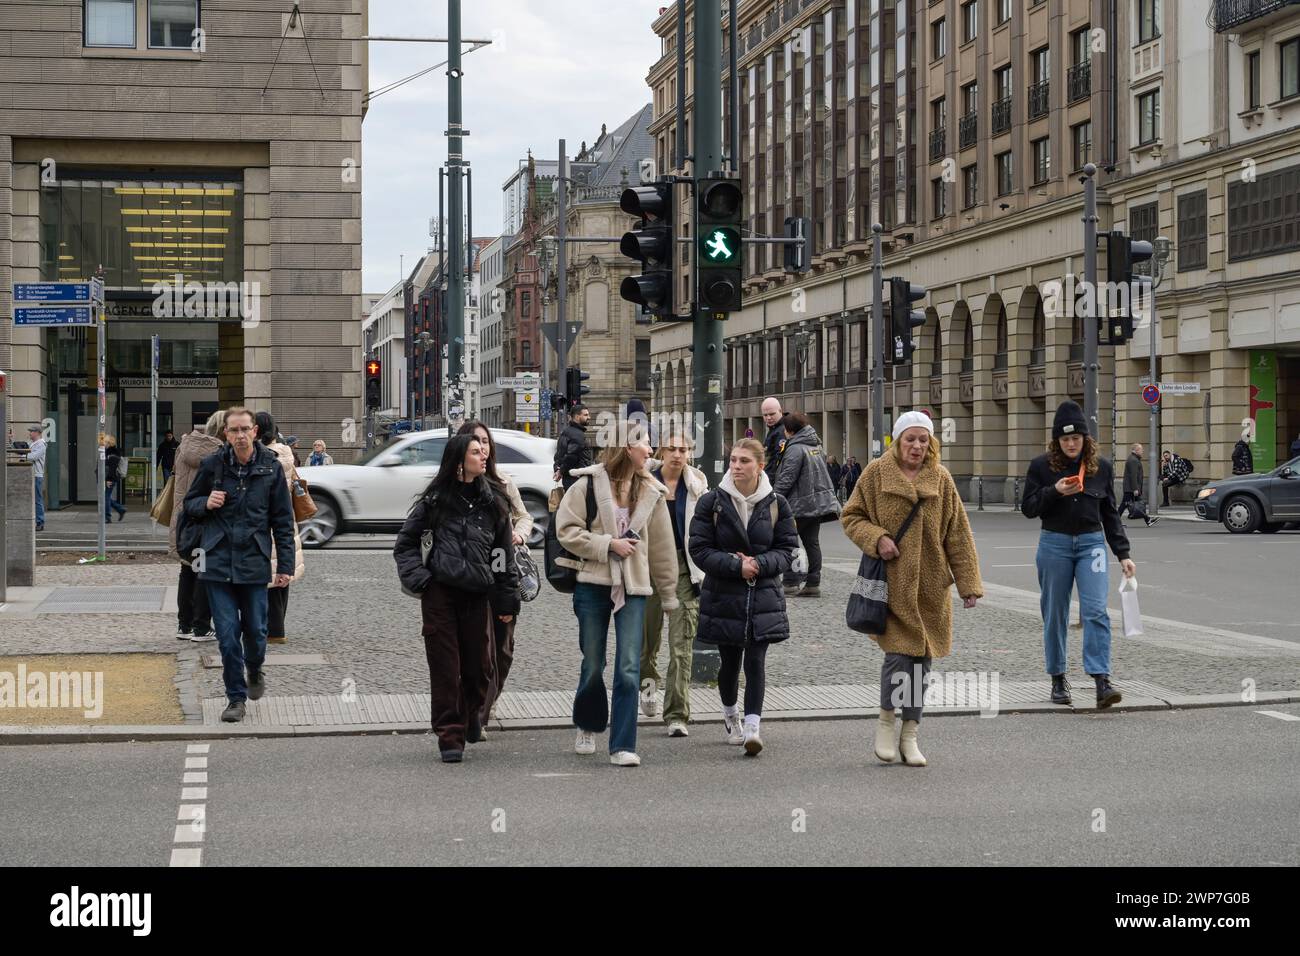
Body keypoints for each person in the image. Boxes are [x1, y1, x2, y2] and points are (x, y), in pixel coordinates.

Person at [841, 412, 983, 767]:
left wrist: (968, 585)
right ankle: (886, 722)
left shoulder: (942, 479)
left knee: (922, 660)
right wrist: (878, 538)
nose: (917, 446)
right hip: (892, 585)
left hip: (931, 587)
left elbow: (958, 535)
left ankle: (911, 732)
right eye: (910, 439)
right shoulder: (876, 473)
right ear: (897, 440)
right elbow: (851, 516)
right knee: (898, 657)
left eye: (923, 440)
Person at [555, 421, 679, 768]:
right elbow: (565, 530)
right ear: (627, 447)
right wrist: (608, 544)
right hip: (592, 583)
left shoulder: (652, 491)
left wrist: (668, 594)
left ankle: (623, 744)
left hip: (635, 585)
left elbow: (663, 550)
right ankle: (588, 723)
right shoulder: (586, 484)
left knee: (628, 667)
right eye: (645, 445)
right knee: (593, 662)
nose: (651, 451)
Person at [394, 433, 520, 763]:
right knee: (446, 667)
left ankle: (472, 714)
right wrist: (421, 580)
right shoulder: (435, 501)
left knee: (481, 669)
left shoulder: (494, 502)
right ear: (459, 460)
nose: (483, 456)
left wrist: (506, 598)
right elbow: (405, 545)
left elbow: (501, 554)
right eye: (475, 452)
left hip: (478, 595)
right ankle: (450, 733)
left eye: (484, 451)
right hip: (441, 595)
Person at [181, 407, 295, 723]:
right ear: (226, 434)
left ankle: (255, 667)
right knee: (228, 636)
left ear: (255, 431)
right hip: (217, 562)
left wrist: (284, 565)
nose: (240, 435)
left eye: (245, 429)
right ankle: (235, 698)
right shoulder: (212, 465)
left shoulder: (271, 468)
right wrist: (205, 502)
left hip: (254, 561)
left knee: (257, 632)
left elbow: (283, 522)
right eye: (234, 430)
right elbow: (188, 506)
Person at [1022, 400, 1135, 710]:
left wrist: (1123, 553)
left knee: (1096, 610)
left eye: (1076, 438)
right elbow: (1029, 508)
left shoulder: (1102, 467)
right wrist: (1054, 491)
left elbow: (1110, 513)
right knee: (1054, 613)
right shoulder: (1041, 466)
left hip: (1092, 544)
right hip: (1054, 543)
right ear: (1056, 441)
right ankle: (1058, 678)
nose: (1071, 444)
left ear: (1086, 438)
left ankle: (1102, 680)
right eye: (1065, 439)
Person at [689, 438, 798, 757]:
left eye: (744, 461)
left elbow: (788, 548)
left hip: (763, 596)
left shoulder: (777, 503)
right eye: (734, 460)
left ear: (760, 466)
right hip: (725, 594)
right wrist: (737, 566)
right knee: (730, 663)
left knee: (756, 661)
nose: (736, 466)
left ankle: (753, 726)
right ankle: (730, 715)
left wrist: (759, 565)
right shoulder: (712, 502)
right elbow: (699, 549)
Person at [456, 420, 534, 733]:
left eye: (486, 441)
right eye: (476, 441)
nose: (483, 447)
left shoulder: (503, 482)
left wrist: (519, 534)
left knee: (502, 649)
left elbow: (524, 516)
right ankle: (477, 714)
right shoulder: (452, 485)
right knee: (475, 650)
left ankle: (485, 702)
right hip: (468, 578)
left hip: (503, 575)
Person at [640, 432, 707, 737]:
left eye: (684, 449)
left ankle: (677, 714)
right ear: (661, 452)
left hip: (684, 569)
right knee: (647, 643)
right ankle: (648, 686)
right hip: (649, 568)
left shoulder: (697, 483)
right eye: (672, 449)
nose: (678, 455)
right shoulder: (644, 480)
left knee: (681, 646)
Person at [773, 411, 841, 597]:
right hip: (816, 504)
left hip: (799, 504)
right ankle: (813, 583)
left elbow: (787, 478)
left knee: (789, 542)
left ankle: (790, 581)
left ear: (789, 430)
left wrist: (772, 498)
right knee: (812, 543)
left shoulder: (795, 448)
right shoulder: (816, 445)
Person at [170, 411, 225, 641]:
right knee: (203, 571)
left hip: (183, 517)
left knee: (187, 570)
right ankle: (202, 626)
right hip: (204, 518)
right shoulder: (219, 454)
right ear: (224, 429)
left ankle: (184, 625)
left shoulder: (184, 446)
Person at [255, 412, 305, 646]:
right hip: (287, 518)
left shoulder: (266, 456)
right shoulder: (286, 453)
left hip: (267, 518)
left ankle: (273, 629)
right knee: (282, 574)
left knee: (269, 574)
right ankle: (277, 627)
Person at [553, 403, 594, 490]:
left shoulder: (566, 431)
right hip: (577, 478)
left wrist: (558, 469)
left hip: (569, 478)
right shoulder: (577, 435)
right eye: (585, 415)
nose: (589, 417)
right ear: (577, 417)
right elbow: (572, 456)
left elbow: (559, 455)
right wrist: (560, 471)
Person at [1121, 443, 1157, 527]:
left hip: (1130, 487)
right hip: (1131, 488)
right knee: (1125, 504)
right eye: (1141, 449)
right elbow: (1133, 475)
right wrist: (1135, 489)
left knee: (1135, 504)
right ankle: (1148, 520)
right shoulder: (1133, 460)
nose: (1142, 451)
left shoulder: (1134, 459)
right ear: (1136, 450)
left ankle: (1148, 520)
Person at [102, 434, 127, 522]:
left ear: (110, 442)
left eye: (105, 441)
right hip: (108, 478)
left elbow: (111, 469)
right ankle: (120, 509)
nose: (103, 443)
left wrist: (108, 480)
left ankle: (107, 517)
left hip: (110, 478)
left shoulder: (112, 452)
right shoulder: (107, 451)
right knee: (105, 496)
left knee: (105, 497)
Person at [760, 397, 786, 479]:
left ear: (780, 411)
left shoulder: (782, 431)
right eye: (765, 415)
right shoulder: (774, 429)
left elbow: (777, 460)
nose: (768, 418)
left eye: (772, 414)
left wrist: (769, 480)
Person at [26, 425, 46, 532]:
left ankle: (40, 522)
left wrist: (23, 456)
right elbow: (20, 450)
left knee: (38, 499)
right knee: (34, 499)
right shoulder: (31, 443)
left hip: (37, 475)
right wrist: (10, 440)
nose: (30, 433)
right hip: (29, 474)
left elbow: (34, 456)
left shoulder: (41, 444)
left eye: (31, 431)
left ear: (37, 433)